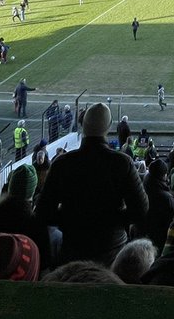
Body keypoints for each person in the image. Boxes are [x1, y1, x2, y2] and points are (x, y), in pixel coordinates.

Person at [37, 102, 148, 265]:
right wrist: (114, 221)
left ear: (83, 126)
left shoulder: (62, 163)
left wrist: (70, 220)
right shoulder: (122, 163)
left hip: (72, 252)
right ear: (109, 127)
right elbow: (141, 209)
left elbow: (42, 211)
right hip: (112, 253)